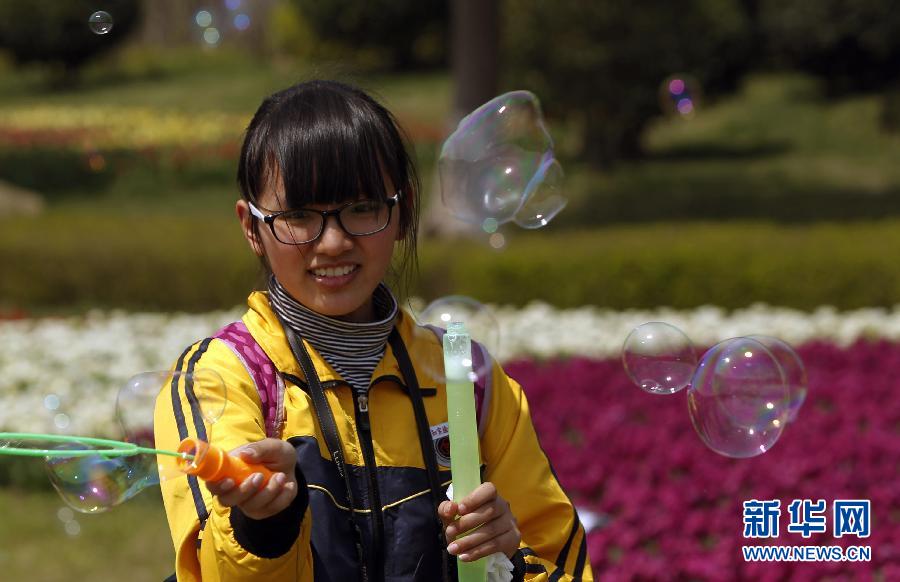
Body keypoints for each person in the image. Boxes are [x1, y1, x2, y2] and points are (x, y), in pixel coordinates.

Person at [154, 79, 592, 582]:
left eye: (362, 208)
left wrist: (508, 556)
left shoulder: (470, 384)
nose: (334, 242)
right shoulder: (223, 379)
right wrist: (265, 525)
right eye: (298, 216)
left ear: (403, 211)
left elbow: (560, 562)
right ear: (252, 227)